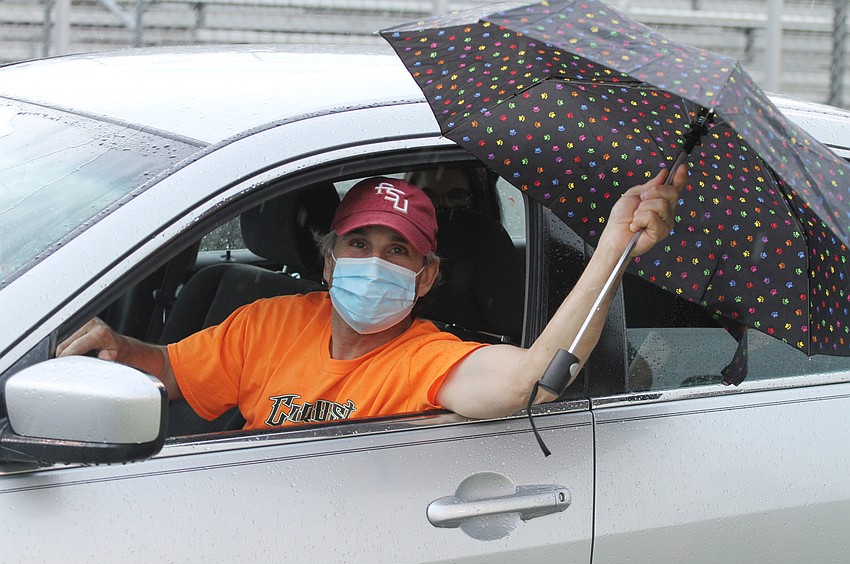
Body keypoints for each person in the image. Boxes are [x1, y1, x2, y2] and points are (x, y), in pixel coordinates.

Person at [56, 168, 685, 429]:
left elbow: (532, 382)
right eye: (359, 244)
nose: (374, 264)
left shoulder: (425, 359)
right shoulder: (267, 322)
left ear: (426, 277)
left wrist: (612, 251)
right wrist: (120, 347)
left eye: (399, 252)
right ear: (329, 260)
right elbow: (171, 371)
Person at [406, 165, 502, 221]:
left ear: (476, 200)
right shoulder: (400, 248)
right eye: (429, 196)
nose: (441, 205)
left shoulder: (493, 249)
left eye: (456, 197)